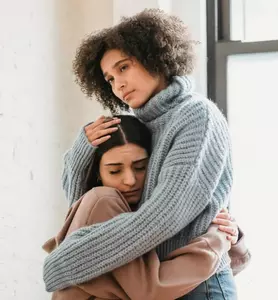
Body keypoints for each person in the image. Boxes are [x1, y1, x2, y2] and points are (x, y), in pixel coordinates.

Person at [43, 9, 251, 299]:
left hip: (199, 288)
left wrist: (69, 260)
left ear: (154, 55)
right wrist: (83, 150)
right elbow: (88, 210)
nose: (118, 85)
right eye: (110, 78)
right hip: (159, 282)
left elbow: (163, 216)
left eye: (124, 68)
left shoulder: (196, 115)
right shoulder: (143, 125)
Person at [43, 115, 247, 300]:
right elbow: (151, 290)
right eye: (115, 171)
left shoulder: (139, 212)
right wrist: (217, 240)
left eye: (141, 167)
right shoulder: (103, 200)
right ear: (98, 173)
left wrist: (232, 235)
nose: (130, 180)